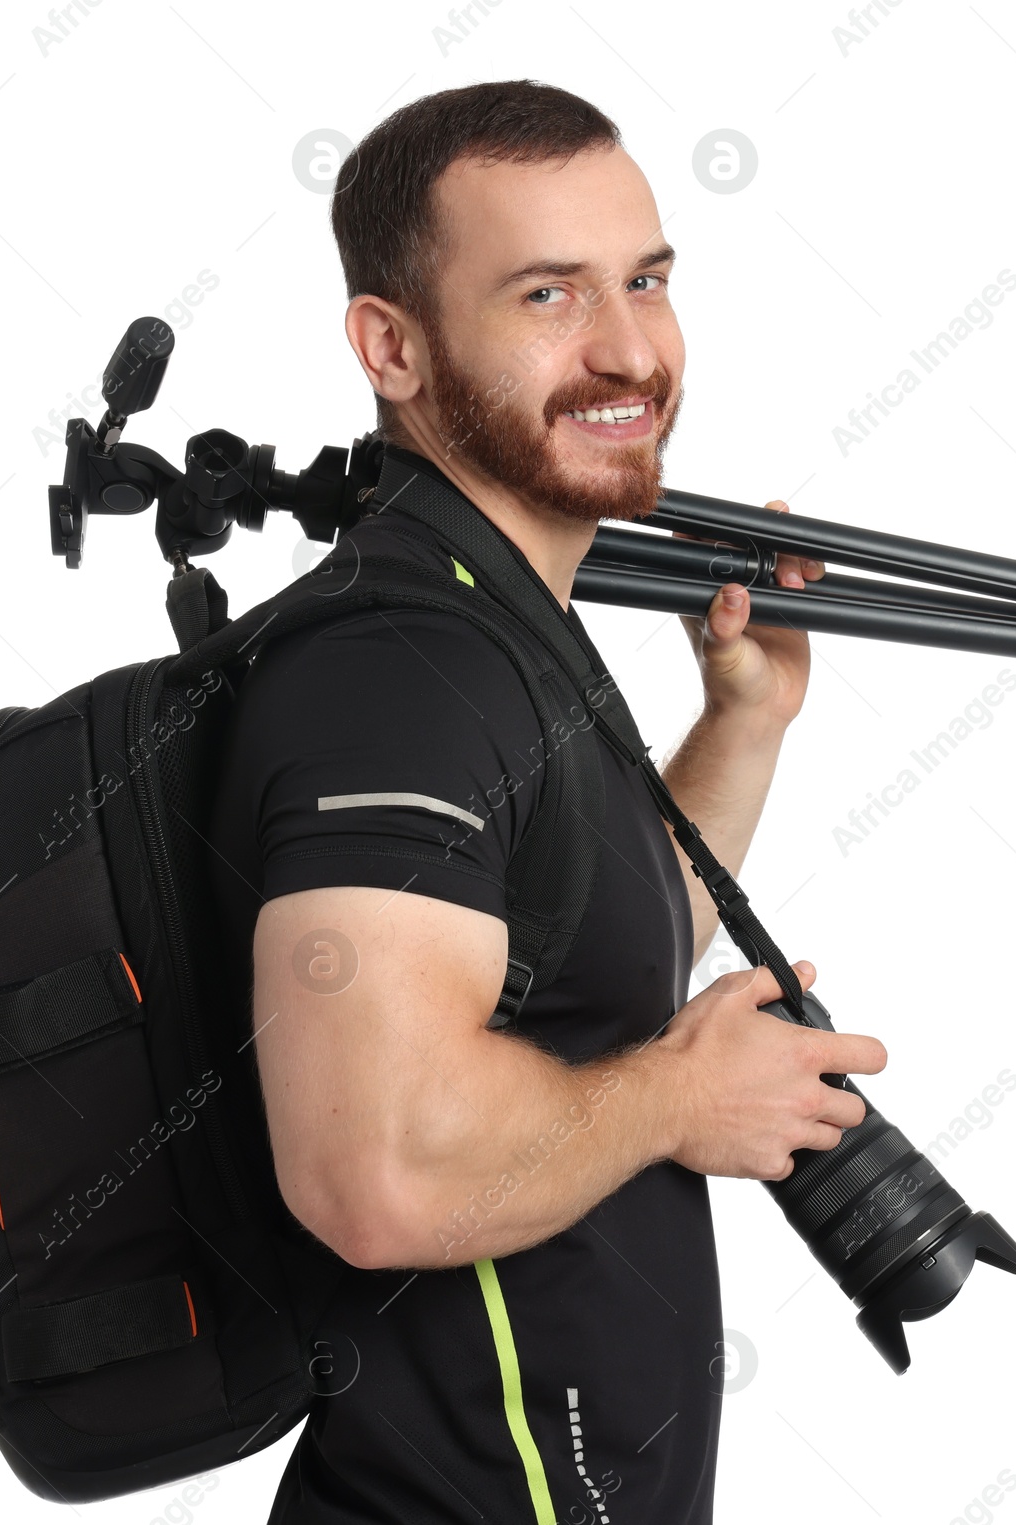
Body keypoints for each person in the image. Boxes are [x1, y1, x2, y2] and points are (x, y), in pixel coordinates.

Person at [206, 79, 888, 1525]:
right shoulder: (396, 666)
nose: (629, 348)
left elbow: (568, 958)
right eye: (546, 295)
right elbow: (376, 1166)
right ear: (392, 344)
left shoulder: (495, 619)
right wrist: (678, 1098)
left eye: (644, 279)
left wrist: (745, 726)